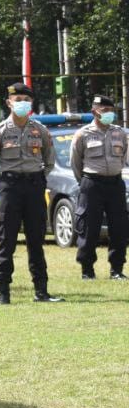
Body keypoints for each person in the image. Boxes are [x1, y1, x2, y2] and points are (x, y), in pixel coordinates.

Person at [0, 82, 61, 304]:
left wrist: (38, 177)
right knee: (6, 239)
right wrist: (5, 180)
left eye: (26, 100)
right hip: (9, 188)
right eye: (18, 100)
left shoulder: (41, 130)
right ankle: (3, 291)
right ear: (9, 103)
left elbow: (49, 160)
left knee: (36, 239)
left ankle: (41, 290)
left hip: (34, 186)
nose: (22, 104)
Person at [70, 95, 129, 280]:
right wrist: (86, 181)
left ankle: (117, 269)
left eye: (111, 111)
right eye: (105, 111)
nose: (109, 114)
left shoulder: (120, 133)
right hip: (92, 184)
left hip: (115, 183)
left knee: (119, 227)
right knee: (89, 228)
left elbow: (125, 157)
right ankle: (87, 270)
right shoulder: (83, 133)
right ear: (94, 111)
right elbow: (75, 162)